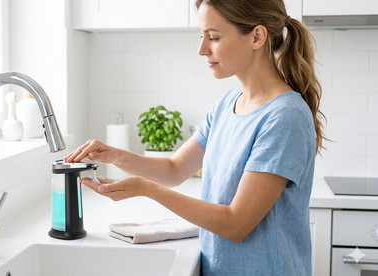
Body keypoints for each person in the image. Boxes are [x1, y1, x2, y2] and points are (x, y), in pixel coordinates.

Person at [64, 0, 327, 275]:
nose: (201, 49)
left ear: (257, 37)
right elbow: (175, 169)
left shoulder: (284, 116)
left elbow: (236, 224)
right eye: (201, 36)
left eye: (213, 37)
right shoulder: (228, 103)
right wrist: (116, 155)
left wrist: (146, 189)